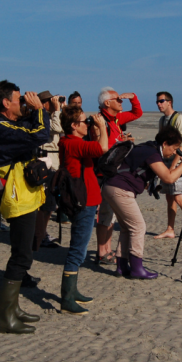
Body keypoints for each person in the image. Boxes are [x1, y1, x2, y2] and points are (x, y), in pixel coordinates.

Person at [0, 80, 50, 334]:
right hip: (17, 199)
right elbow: (40, 134)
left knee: (22, 253)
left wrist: (37, 110)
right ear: (5, 103)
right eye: (17, 99)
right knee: (21, 256)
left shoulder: (10, 125)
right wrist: (39, 111)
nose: (21, 103)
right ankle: (5, 317)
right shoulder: (1, 129)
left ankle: (13, 309)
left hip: (26, 196)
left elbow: (31, 130)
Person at [101, 126, 182, 279]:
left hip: (112, 187)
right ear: (165, 143)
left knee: (127, 228)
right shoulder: (152, 153)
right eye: (174, 148)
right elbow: (169, 178)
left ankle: (122, 266)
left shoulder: (148, 147)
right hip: (120, 189)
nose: (174, 153)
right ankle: (137, 268)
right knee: (139, 226)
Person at [58, 106, 108, 315]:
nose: (87, 124)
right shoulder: (73, 144)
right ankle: (67, 298)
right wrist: (103, 127)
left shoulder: (68, 142)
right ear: (73, 125)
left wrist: (95, 130)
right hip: (84, 202)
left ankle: (72, 291)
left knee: (78, 246)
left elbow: (95, 148)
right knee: (78, 250)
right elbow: (102, 149)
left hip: (84, 199)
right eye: (83, 121)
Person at [91, 87, 143, 265]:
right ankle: (101, 251)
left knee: (111, 215)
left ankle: (107, 249)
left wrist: (132, 97)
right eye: (117, 99)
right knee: (105, 214)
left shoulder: (116, 118)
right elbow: (101, 148)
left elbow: (137, 113)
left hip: (115, 174)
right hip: (103, 174)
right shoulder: (100, 122)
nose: (120, 101)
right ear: (107, 103)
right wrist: (121, 143)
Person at [154, 91, 182, 242]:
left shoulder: (180, 119)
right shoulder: (162, 120)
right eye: (157, 102)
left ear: (169, 102)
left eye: (161, 101)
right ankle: (170, 229)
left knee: (179, 196)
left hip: (179, 162)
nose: (159, 104)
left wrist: (174, 166)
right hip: (166, 161)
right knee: (169, 197)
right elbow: (161, 142)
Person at [32, 91, 64, 250]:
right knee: (44, 205)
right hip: (46, 163)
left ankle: (42, 233)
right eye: (51, 101)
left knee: (50, 205)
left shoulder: (50, 117)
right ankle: (39, 236)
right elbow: (57, 128)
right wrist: (57, 110)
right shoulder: (41, 118)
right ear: (44, 103)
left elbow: (63, 128)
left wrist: (60, 110)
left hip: (54, 163)